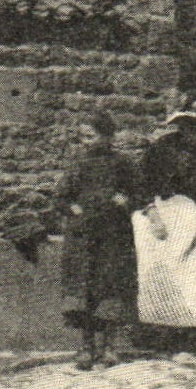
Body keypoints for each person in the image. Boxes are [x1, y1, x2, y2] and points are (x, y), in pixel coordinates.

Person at [132, 97, 196, 353]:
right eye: (188, 125)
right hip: (164, 213)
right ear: (180, 125)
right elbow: (141, 183)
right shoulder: (162, 148)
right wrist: (153, 216)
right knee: (156, 258)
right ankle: (161, 327)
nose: (193, 132)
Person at [56, 111, 137, 370]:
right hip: (83, 238)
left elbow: (140, 192)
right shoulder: (77, 164)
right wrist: (73, 208)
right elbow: (60, 197)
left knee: (110, 288)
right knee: (85, 291)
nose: (85, 142)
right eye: (82, 137)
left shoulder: (123, 163)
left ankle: (110, 346)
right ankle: (86, 346)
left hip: (114, 236)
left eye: (90, 136)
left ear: (107, 136)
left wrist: (127, 201)